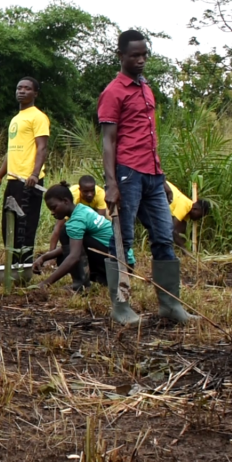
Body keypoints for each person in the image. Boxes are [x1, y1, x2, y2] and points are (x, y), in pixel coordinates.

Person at [99, 30, 194, 325]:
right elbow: (108, 141)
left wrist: (161, 178)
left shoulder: (146, 88)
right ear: (121, 56)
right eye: (134, 56)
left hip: (152, 175)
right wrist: (112, 183)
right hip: (127, 175)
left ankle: (170, 305)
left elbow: (149, 138)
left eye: (144, 55)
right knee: (122, 240)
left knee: (164, 239)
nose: (140, 60)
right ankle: (121, 307)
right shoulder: (113, 92)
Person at [0, 77, 49, 263]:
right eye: (19, 88)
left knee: (25, 225)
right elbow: (11, 150)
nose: (21, 91)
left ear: (35, 93)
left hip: (28, 180)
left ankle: (24, 266)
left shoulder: (38, 117)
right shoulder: (16, 119)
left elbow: (42, 147)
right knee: (10, 223)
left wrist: (34, 174)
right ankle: (12, 264)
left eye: (27, 88)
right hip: (13, 179)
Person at [32, 182, 111, 291]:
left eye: (54, 207)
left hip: (115, 264)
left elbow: (74, 256)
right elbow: (73, 245)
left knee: (66, 243)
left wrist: (46, 283)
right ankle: (100, 279)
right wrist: (44, 257)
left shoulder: (76, 222)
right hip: (118, 262)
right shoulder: (82, 209)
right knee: (63, 254)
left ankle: (80, 286)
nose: (52, 212)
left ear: (66, 201)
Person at [48, 175, 107, 251]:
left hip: (92, 214)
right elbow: (58, 227)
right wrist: (50, 256)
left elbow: (98, 224)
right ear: (80, 190)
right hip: (77, 213)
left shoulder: (100, 194)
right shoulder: (73, 196)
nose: (90, 194)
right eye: (86, 191)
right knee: (64, 229)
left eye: (92, 190)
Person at [165, 181, 210, 248]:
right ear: (195, 209)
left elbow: (180, 232)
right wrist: (184, 250)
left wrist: (185, 245)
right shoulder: (184, 206)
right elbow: (173, 230)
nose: (198, 219)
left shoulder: (187, 213)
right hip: (158, 185)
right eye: (200, 216)